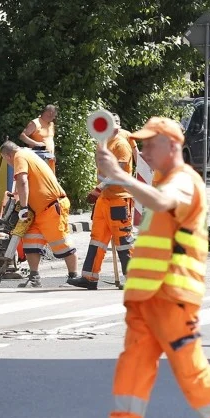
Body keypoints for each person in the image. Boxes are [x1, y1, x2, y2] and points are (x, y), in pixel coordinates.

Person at [80, 116, 210, 418]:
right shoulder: (164, 181)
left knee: (189, 368)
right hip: (149, 299)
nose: (143, 149)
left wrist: (120, 175)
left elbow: (162, 203)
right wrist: (120, 179)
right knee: (132, 366)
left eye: (150, 143)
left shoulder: (184, 182)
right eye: (141, 143)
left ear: (172, 146)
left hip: (172, 295)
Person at [68, 113, 134, 289]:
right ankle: (89, 278)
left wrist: (98, 189)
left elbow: (117, 173)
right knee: (97, 239)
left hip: (119, 200)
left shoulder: (121, 145)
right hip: (104, 200)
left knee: (123, 242)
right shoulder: (103, 144)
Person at [0, 140, 79, 287]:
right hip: (38, 210)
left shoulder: (19, 156)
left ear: (8, 155)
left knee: (61, 242)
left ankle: (73, 277)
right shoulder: (28, 154)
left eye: (5, 160)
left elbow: (23, 181)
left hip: (51, 208)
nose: (8, 163)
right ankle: (34, 277)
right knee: (31, 241)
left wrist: (23, 207)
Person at [21, 104, 58, 172]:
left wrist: (53, 155)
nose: (54, 118)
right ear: (49, 113)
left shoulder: (51, 124)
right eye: (53, 116)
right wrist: (36, 143)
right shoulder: (35, 123)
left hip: (50, 158)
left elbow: (50, 140)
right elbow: (22, 136)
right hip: (38, 157)